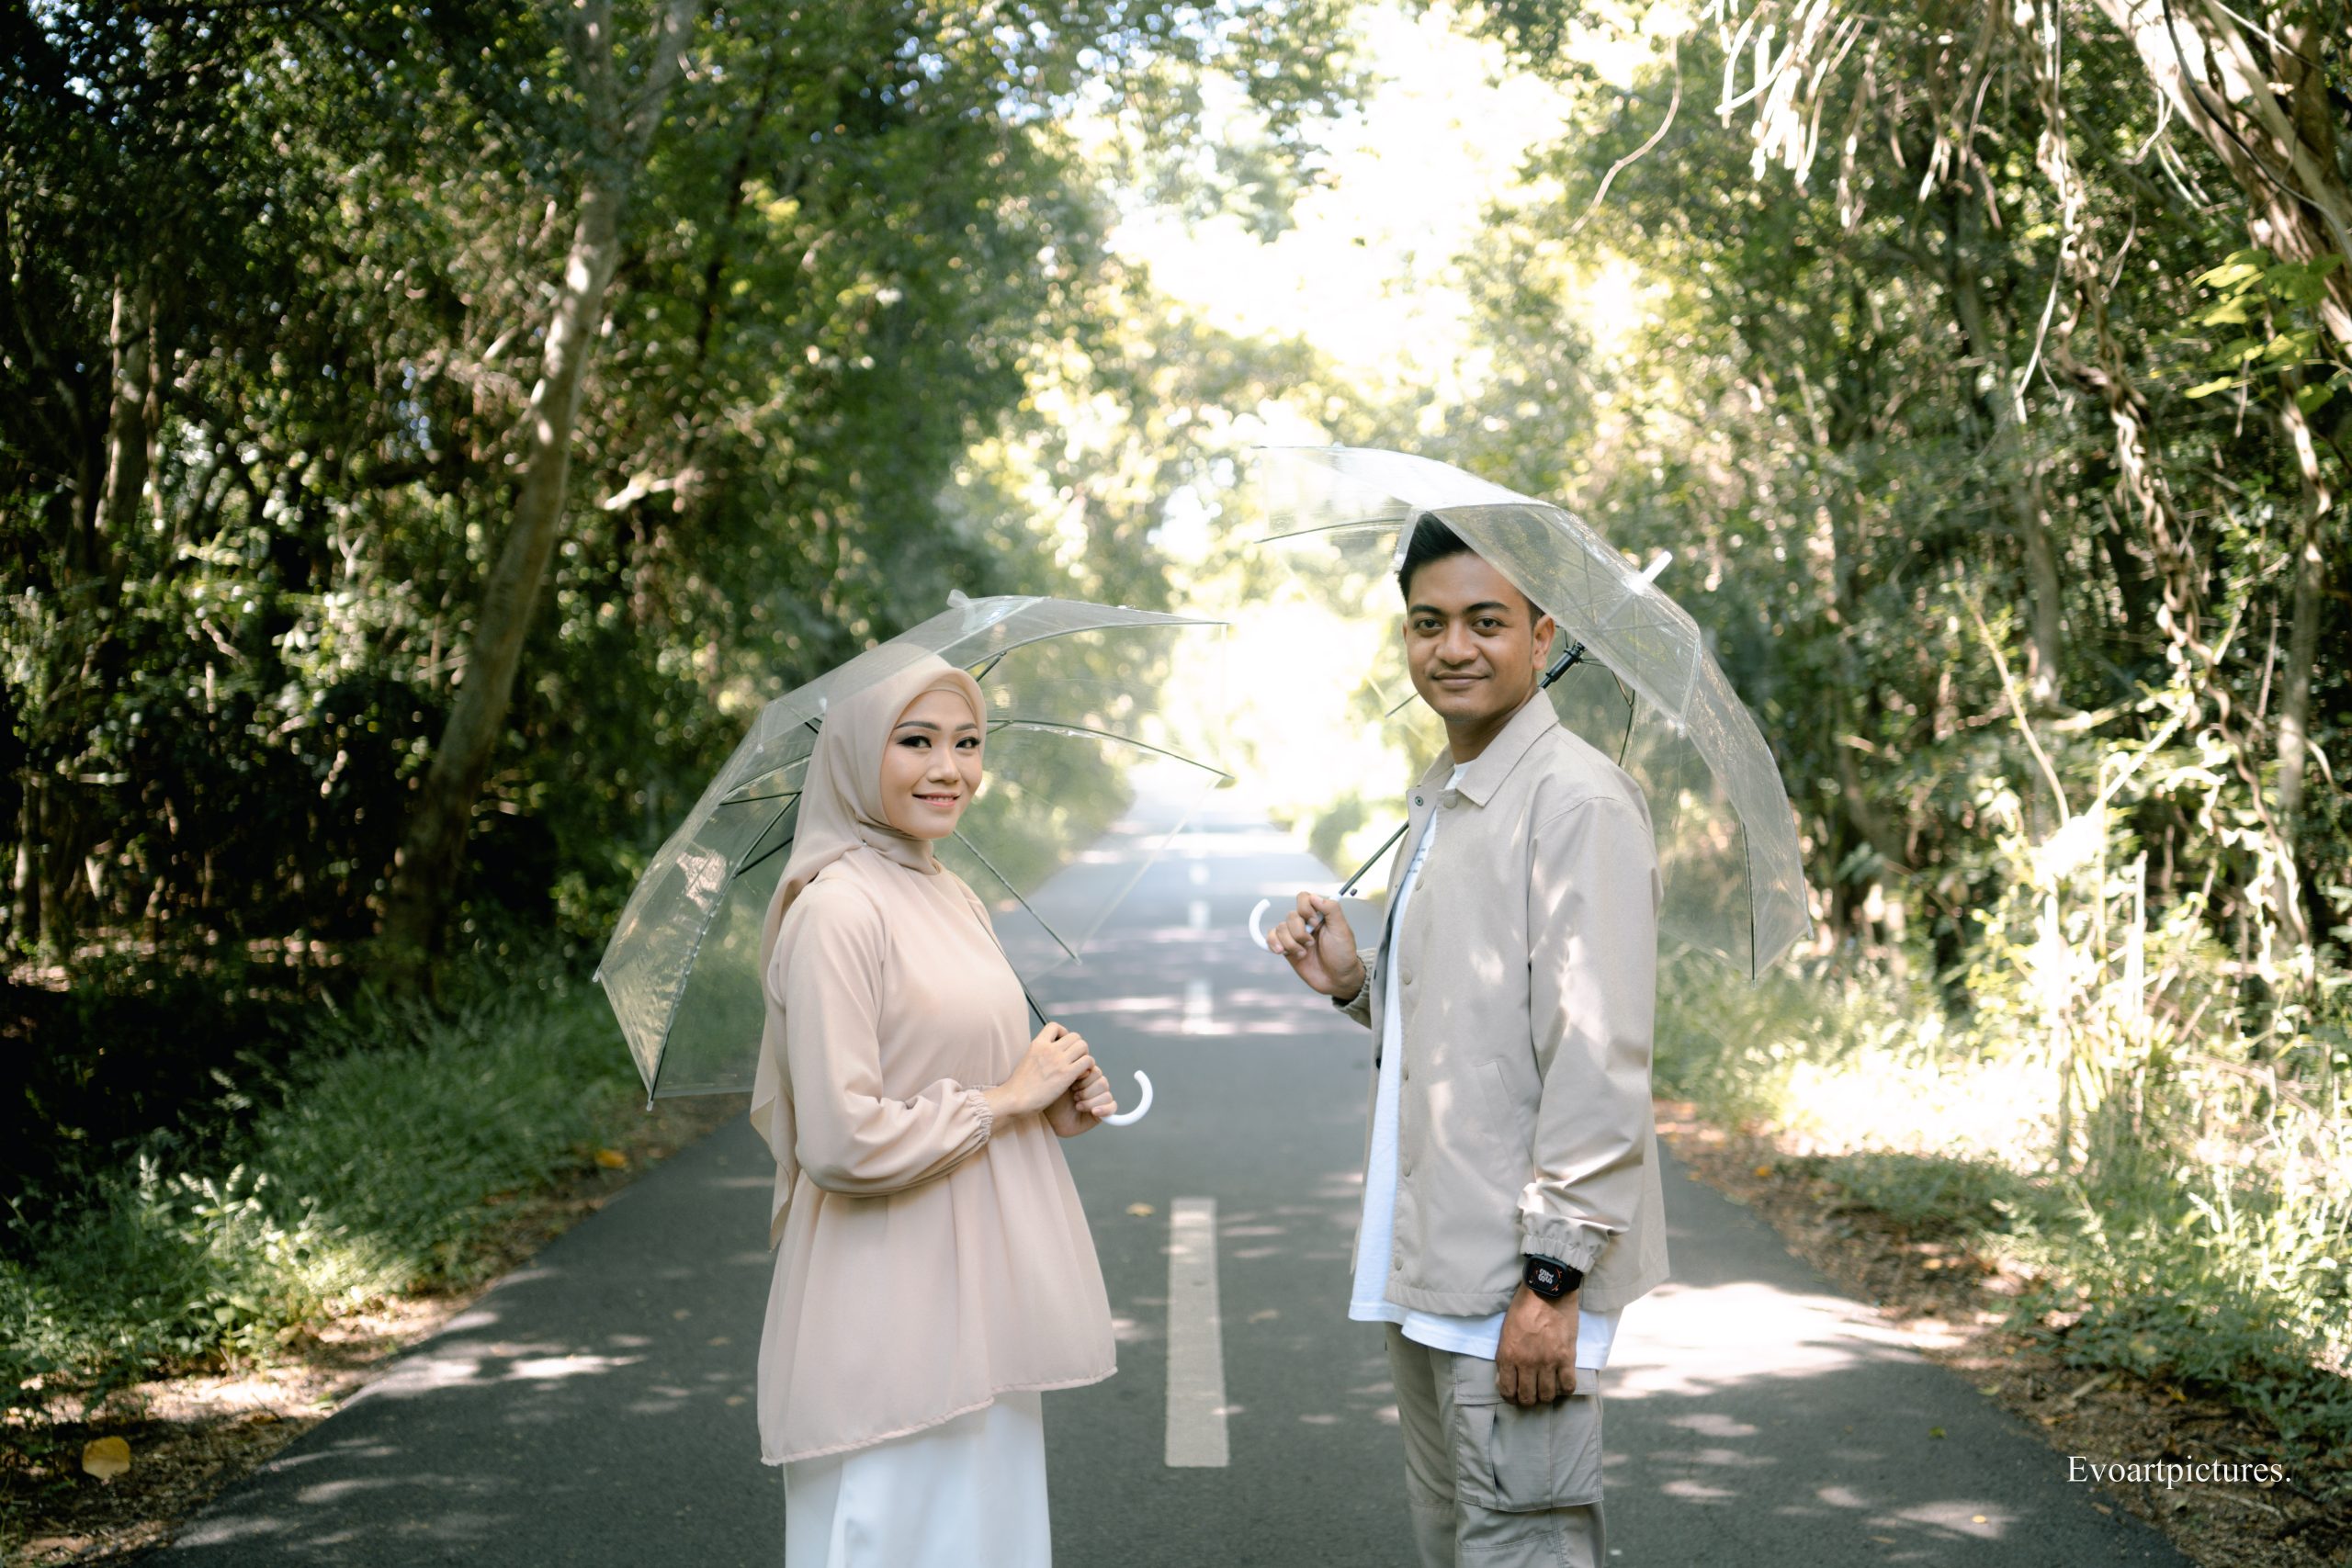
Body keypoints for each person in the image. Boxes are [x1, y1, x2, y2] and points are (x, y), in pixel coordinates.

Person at [1264, 515, 1668, 1568]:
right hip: (1429, 1261)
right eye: (1427, 622)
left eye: (1486, 622)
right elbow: (1475, 1022)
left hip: (1512, 1274)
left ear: (1541, 637)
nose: (1452, 647)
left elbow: (1597, 1052)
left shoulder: (1576, 802)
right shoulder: (1449, 794)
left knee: (1522, 1544)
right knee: (1457, 1542)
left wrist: (1551, 1281)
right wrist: (1354, 983)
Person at [749, 651, 1120, 1568]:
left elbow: (966, 1071)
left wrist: (1046, 1103)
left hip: (980, 1287)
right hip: (887, 1299)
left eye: (967, 742)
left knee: (983, 1540)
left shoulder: (950, 893)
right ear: (855, 753)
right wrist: (1007, 1096)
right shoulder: (836, 911)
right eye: (915, 741)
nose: (949, 768)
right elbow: (841, 1138)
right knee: (894, 1535)